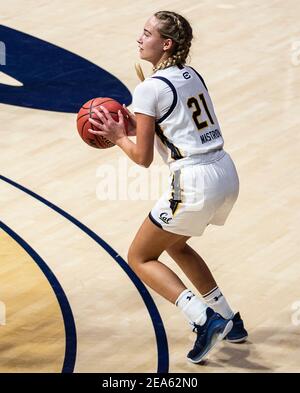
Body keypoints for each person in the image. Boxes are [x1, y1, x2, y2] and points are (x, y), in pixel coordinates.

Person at [88, 10, 247, 364]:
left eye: (147, 33)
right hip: (224, 170)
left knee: (140, 257)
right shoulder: (190, 74)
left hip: (194, 181)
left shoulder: (149, 88)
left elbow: (142, 157)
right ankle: (231, 320)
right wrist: (135, 120)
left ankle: (204, 319)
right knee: (177, 245)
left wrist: (117, 136)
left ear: (166, 43)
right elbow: (175, 122)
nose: (140, 38)